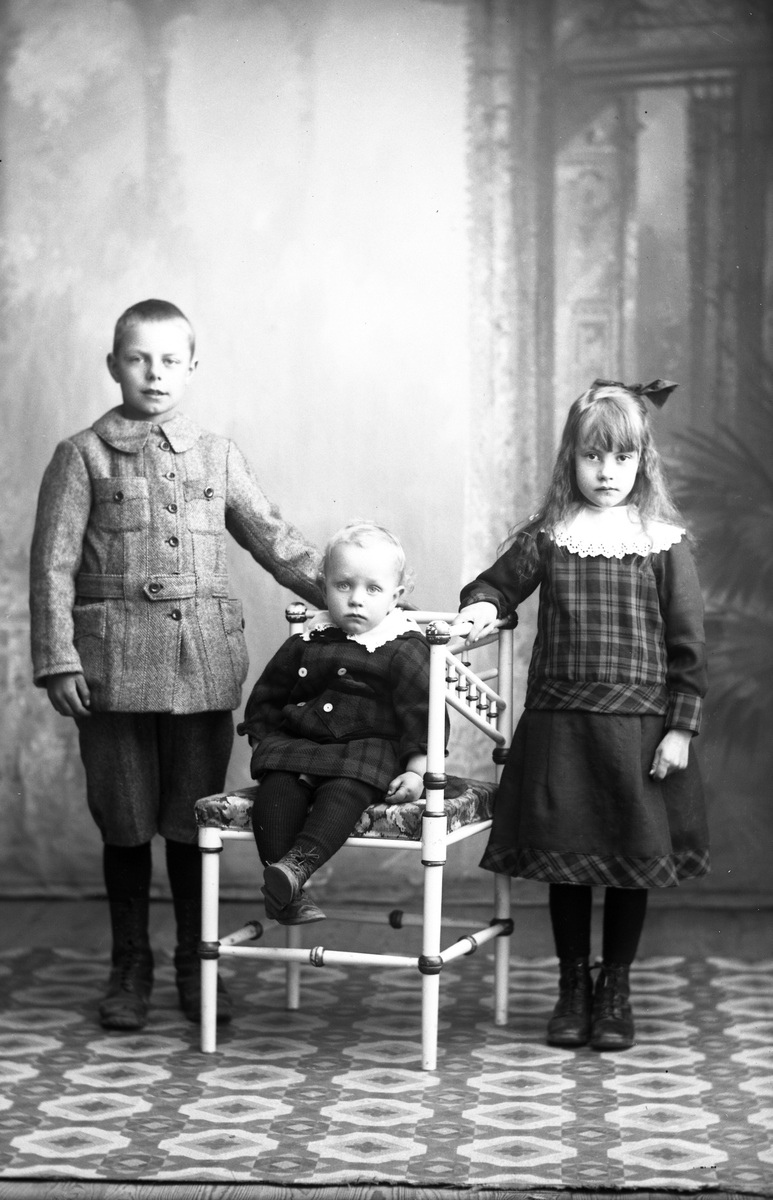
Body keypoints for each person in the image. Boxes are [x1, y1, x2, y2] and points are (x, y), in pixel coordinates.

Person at [30, 298, 323, 1032]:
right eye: (138, 359)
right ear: (113, 365)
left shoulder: (216, 455)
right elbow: (52, 566)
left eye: (169, 360)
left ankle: (197, 962)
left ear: (192, 367)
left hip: (201, 664)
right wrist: (59, 658)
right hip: (109, 670)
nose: (154, 373)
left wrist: (350, 594)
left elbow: (275, 539)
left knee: (197, 823)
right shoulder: (81, 455)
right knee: (125, 821)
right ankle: (130, 965)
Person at [455, 378, 708, 1051]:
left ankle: (613, 986)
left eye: (621, 458)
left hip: (638, 731)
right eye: (592, 457)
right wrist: (482, 608)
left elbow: (688, 644)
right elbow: (495, 584)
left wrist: (680, 728)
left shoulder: (661, 542)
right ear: (571, 459)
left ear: (641, 462)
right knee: (565, 862)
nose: (606, 472)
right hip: (561, 728)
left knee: (630, 860)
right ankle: (572, 984)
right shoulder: (550, 536)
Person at [238, 521, 434, 925]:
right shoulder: (308, 639)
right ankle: (284, 886)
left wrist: (417, 772)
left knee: (345, 791)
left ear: (395, 597)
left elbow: (423, 714)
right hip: (299, 741)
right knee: (277, 788)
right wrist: (264, 743)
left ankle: (297, 866)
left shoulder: (402, 646)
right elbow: (269, 694)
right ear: (323, 586)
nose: (356, 600)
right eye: (343, 585)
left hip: (366, 748)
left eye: (373, 589)